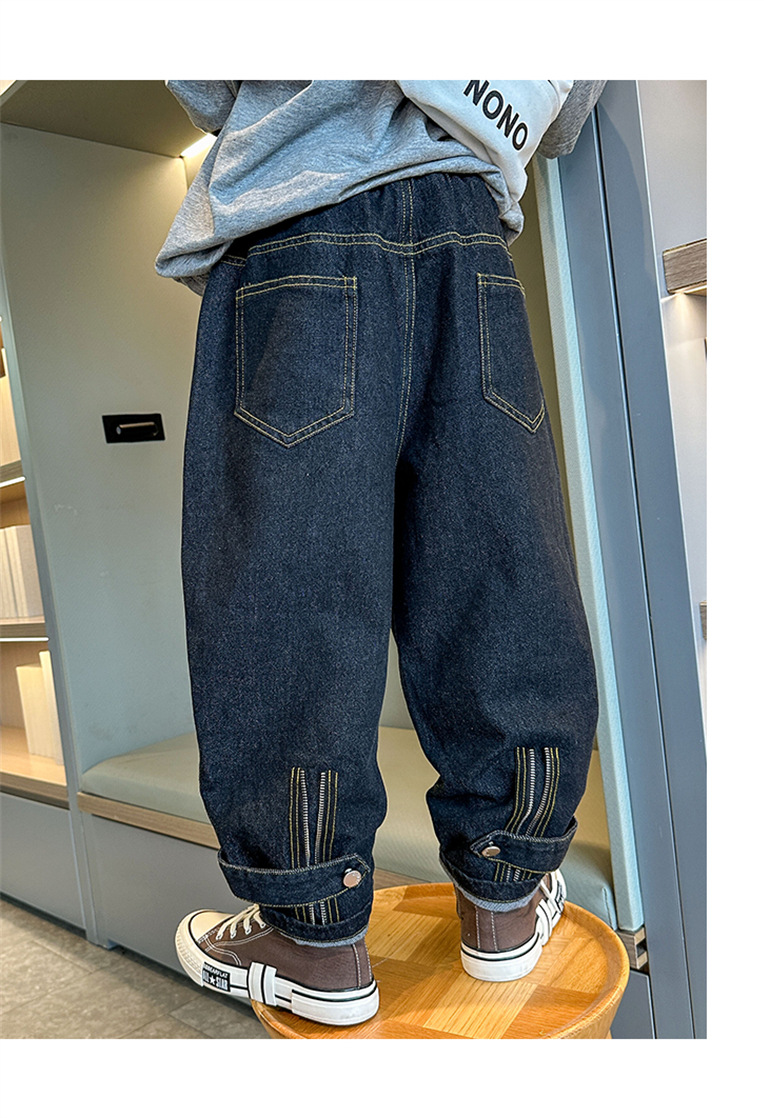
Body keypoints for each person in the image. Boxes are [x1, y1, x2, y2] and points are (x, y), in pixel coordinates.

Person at [156, 80, 605, 1027]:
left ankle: (314, 938)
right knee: (497, 561)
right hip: (466, 231)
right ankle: (507, 891)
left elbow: (203, 77)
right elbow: (564, 112)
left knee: (287, 580)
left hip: (298, 226)